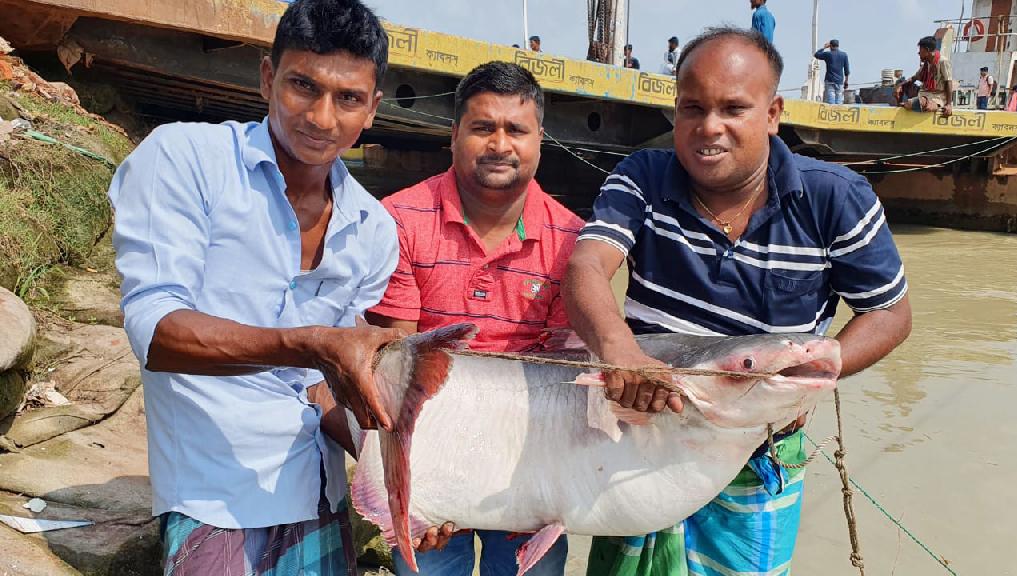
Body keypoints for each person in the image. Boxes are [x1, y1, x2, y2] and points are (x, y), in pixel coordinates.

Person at [567, 27, 911, 576]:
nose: (709, 128)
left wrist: (815, 369)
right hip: (643, 436)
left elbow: (890, 312)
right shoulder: (642, 176)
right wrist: (617, 349)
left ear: (773, 113)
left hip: (762, 451)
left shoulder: (836, 199)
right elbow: (587, 265)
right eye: (692, 108)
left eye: (733, 108)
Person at [107, 1, 416, 573]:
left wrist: (404, 480)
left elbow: (324, 390)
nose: (322, 118)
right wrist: (313, 344)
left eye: (348, 98)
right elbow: (154, 331)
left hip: (317, 490)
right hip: (210, 494)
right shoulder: (185, 159)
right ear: (268, 77)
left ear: (372, 109)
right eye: (303, 85)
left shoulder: (373, 229)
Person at [365, 61, 582, 576]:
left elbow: (566, 378)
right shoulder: (398, 220)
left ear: (539, 141)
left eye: (516, 130)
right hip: (431, 450)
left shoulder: (572, 241)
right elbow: (397, 366)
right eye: (483, 127)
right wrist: (423, 488)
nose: (500, 144)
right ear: (454, 135)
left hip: (531, 458)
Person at [897, 36, 954, 116]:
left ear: (927, 50)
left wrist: (949, 105)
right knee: (901, 90)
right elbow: (914, 78)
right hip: (923, 94)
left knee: (922, 104)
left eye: (920, 51)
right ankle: (911, 104)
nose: (919, 54)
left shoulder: (942, 62)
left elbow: (948, 82)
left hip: (937, 97)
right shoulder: (926, 64)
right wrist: (900, 86)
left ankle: (917, 104)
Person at [815, 39, 850, 104]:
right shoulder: (844, 55)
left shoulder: (828, 54)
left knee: (831, 101)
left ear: (830, 46)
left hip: (830, 80)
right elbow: (846, 69)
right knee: (839, 100)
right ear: (838, 46)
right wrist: (846, 81)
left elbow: (816, 55)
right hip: (839, 81)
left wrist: (824, 47)